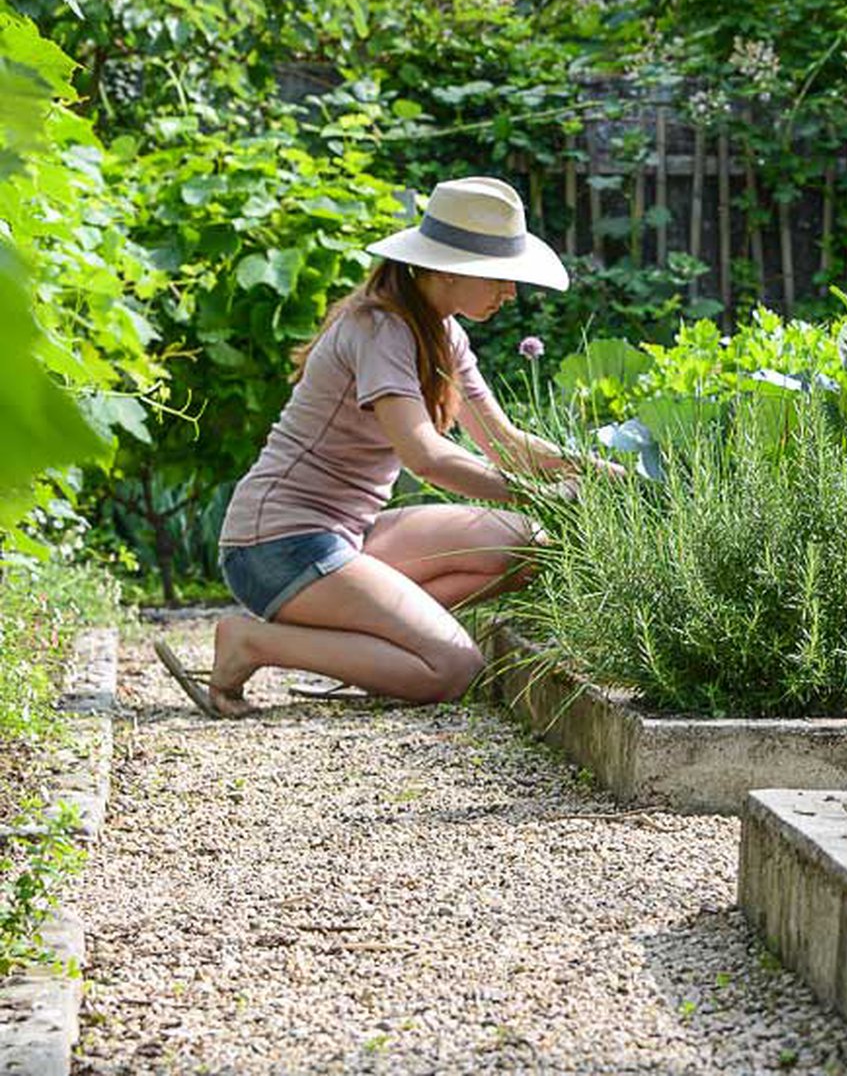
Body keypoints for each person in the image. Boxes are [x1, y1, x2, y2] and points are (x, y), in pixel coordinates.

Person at [154, 176, 612, 718]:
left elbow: (504, 443)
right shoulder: (379, 329)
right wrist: (545, 495)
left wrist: (603, 474)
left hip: (349, 535)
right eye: (501, 277)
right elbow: (427, 457)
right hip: (278, 546)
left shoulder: (444, 335)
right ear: (446, 267)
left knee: (531, 545)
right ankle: (251, 642)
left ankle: (369, 654)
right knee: (455, 668)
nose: (510, 293)